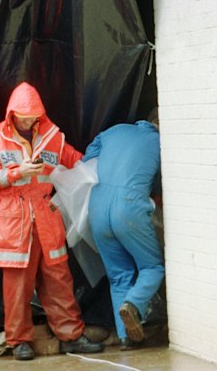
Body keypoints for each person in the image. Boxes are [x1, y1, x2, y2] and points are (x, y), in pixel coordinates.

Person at [0, 82, 103, 360]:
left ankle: (71, 337)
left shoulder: (53, 137)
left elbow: (76, 161)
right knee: (17, 285)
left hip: (45, 215)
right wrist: (18, 172)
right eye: (23, 116)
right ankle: (19, 342)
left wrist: (102, 164)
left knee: (59, 279)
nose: (29, 121)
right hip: (12, 219)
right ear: (11, 115)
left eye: (33, 116)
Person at [82, 110, 165, 350]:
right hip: (128, 207)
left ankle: (125, 337)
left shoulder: (112, 131)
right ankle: (132, 304)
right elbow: (162, 183)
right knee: (152, 267)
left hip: (96, 208)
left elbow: (88, 161)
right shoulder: (160, 142)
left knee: (119, 276)